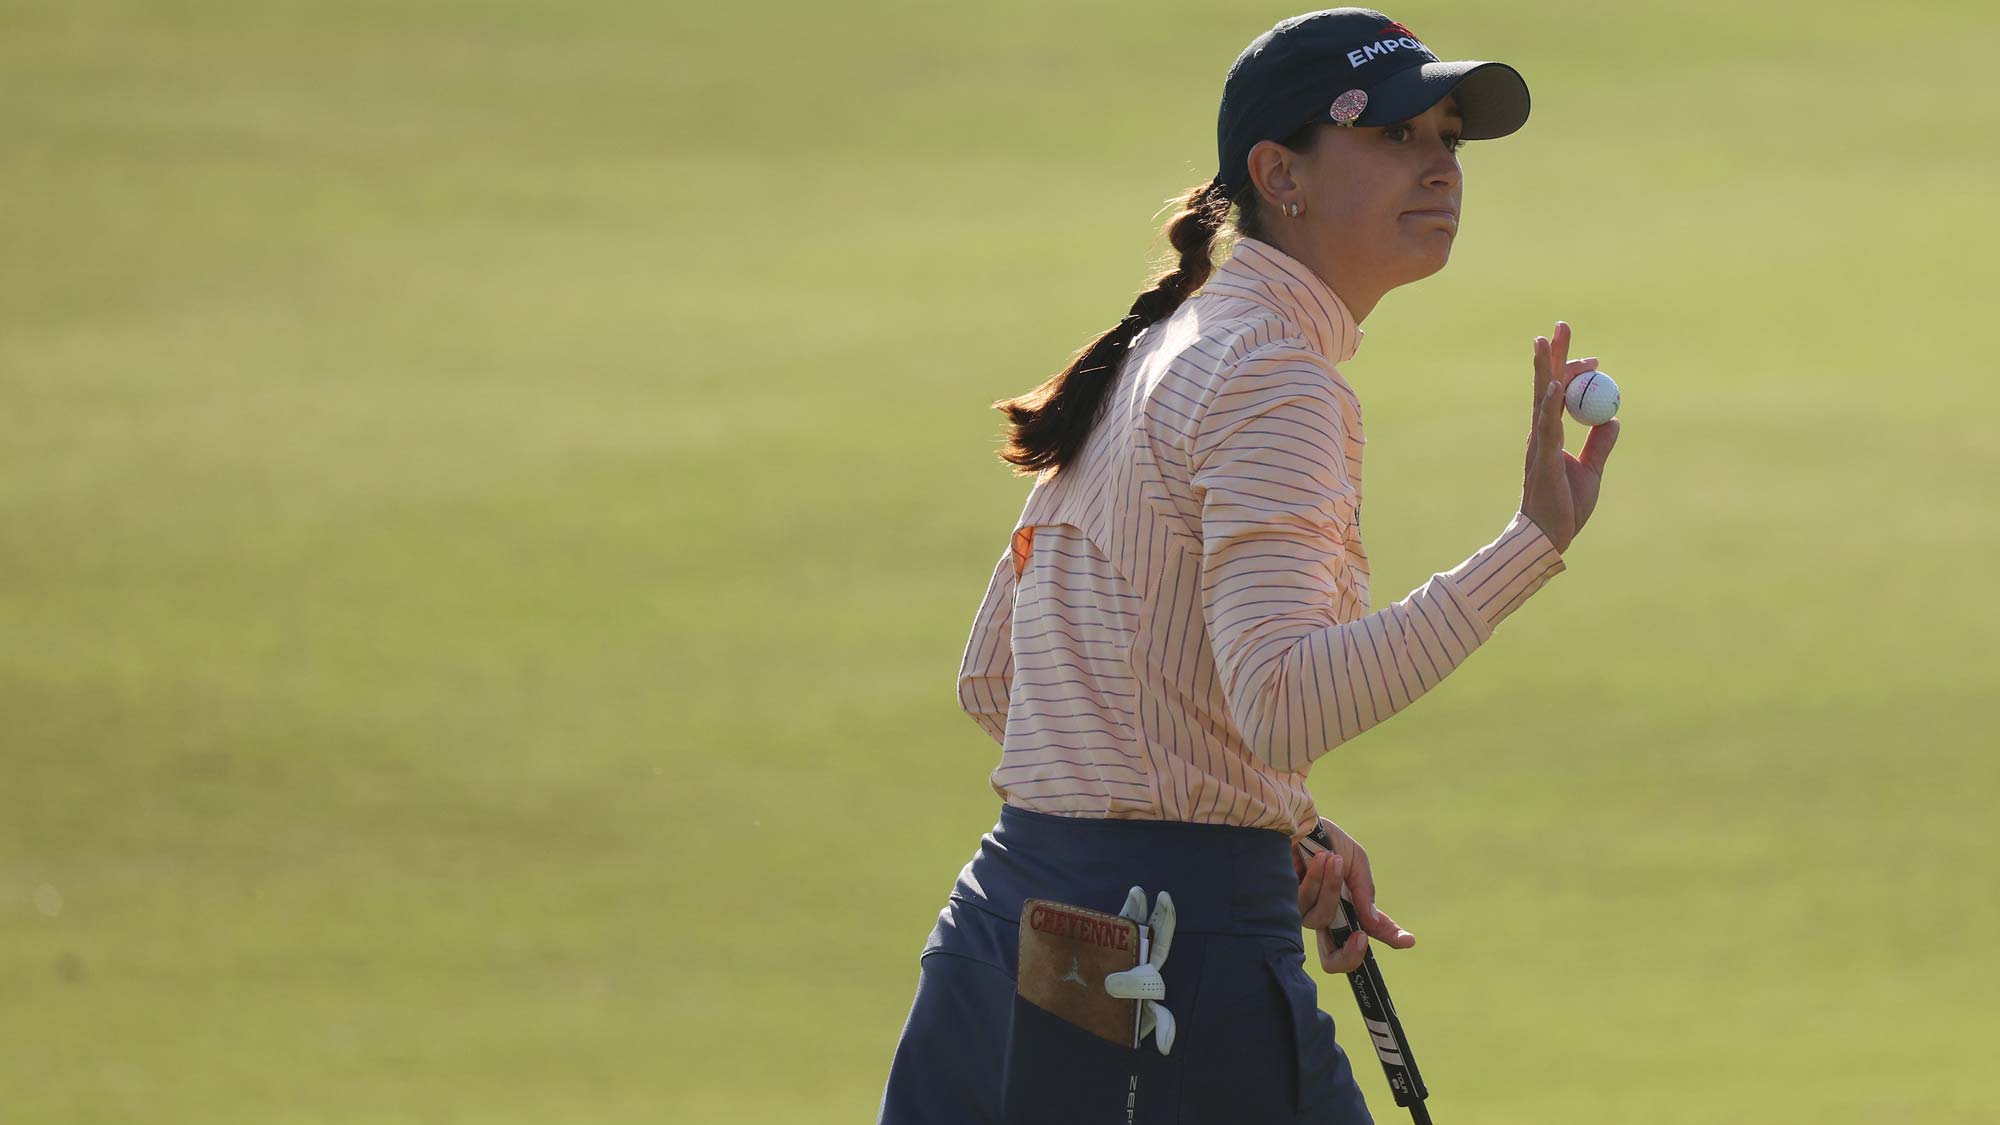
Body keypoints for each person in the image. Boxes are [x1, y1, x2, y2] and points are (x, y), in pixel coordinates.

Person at [878, 8, 1622, 1123]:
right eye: (1392, 137)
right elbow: (1281, 703)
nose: (1438, 168)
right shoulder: (1273, 377)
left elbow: (997, 681)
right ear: (1279, 173)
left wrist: (1270, 828)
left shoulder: (1159, 348)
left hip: (1010, 936)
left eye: (1446, 139)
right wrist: (1529, 547)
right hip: (1162, 968)